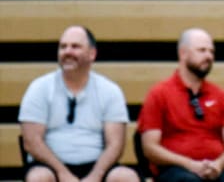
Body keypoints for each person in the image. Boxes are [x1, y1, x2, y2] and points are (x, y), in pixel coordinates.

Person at [18, 25, 140, 182]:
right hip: (50, 167)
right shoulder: (39, 88)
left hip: (97, 168)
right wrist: (63, 173)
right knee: (38, 177)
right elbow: (31, 142)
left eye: (75, 47)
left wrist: (95, 177)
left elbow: (116, 144)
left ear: (92, 54)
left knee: (125, 177)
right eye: (63, 47)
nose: (67, 52)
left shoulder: (110, 90)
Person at [137, 28, 224, 182]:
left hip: (215, 168)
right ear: (183, 53)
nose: (209, 56)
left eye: (211, 52)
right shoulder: (159, 93)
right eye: (202, 50)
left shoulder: (221, 96)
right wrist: (189, 164)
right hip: (175, 169)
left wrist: (219, 164)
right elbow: (150, 147)